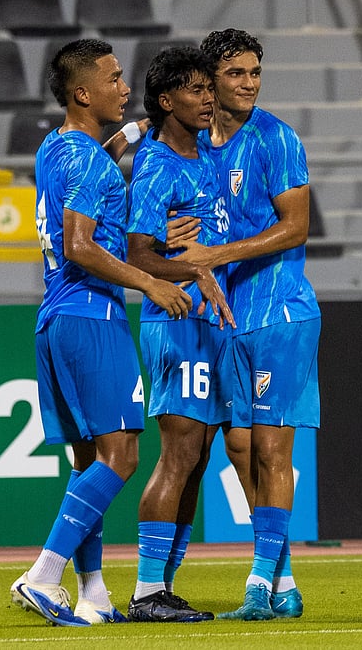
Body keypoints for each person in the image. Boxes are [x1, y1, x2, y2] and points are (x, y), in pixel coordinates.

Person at [10, 38, 197, 628]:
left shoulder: (55, 147)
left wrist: (131, 134)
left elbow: (91, 165)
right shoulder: (90, 161)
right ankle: (44, 574)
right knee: (120, 458)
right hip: (94, 315)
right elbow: (81, 244)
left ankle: (92, 591)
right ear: (83, 92)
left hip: (55, 318)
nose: (124, 85)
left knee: (87, 458)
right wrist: (151, 282)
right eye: (114, 78)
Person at [176, 28, 320, 621]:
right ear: (209, 80)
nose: (249, 83)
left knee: (270, 450)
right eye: (236, 73)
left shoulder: (277, 138)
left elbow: (296, 227)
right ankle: (283, 583)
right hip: (229, 315)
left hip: (281, 311)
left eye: (255, 72)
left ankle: (259, 586)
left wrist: (216, 255)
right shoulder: (198, 146)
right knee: (238, 449)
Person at [124, 46, 232, 623]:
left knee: (197, 456)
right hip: (174, 322)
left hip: (208, 323)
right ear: (167, 101)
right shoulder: (159, 163)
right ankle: (144, 592)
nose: (208, 97)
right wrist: (192, 269)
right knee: (177, 454)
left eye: (207, 88)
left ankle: (163, 584)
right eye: (194, 89)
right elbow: (139, 256)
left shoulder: (206, 156)